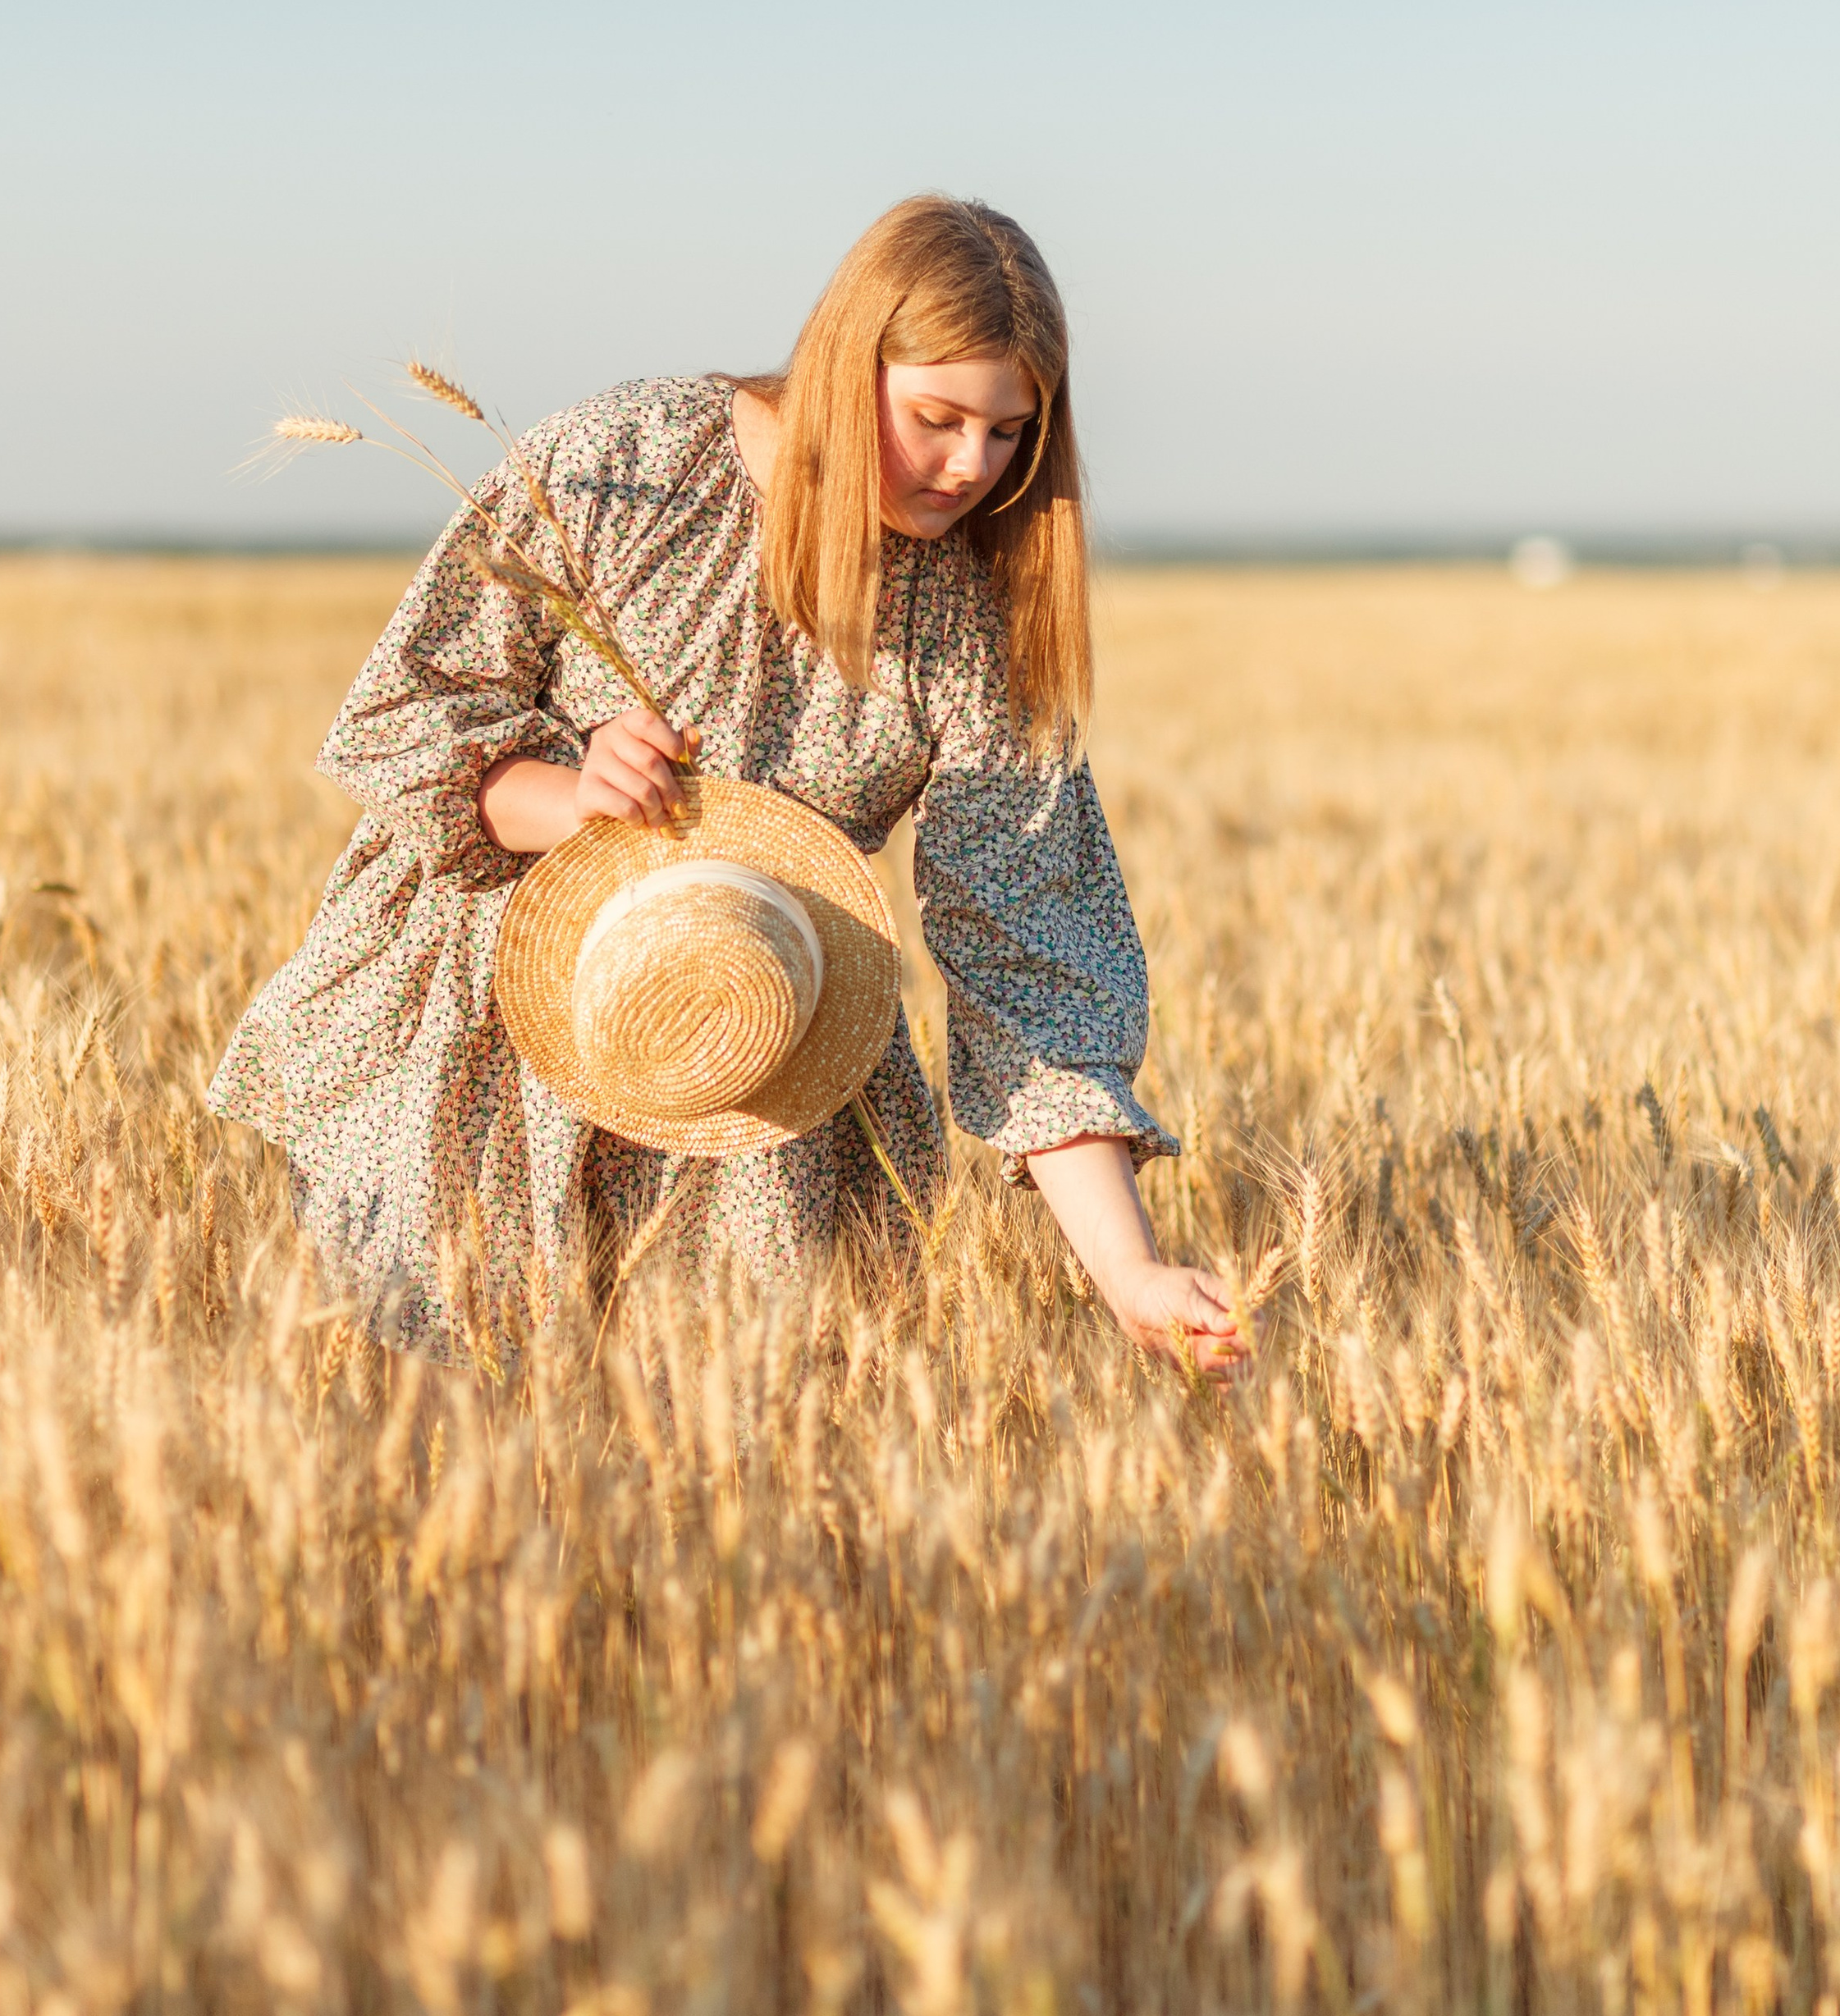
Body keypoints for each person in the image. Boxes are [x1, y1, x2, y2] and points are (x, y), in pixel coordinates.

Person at [208, 194, 1243, 1373]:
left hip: (756, 1058)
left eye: (1010, 433)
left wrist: (1131, 1274)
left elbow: (1033, 957)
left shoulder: (971, 617)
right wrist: (570, 797)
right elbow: (410, 709)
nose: (971, 466)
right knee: (442, 1425)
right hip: (492, 1029)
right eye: (937, 418)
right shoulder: (630, 464)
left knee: (713, 1446)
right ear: (849, 365)